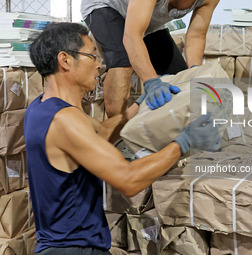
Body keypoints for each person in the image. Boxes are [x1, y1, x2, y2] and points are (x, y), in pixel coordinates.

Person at [24, 22, 221, 254]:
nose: (99, 65)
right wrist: (184, 142)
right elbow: (129, 180)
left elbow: (101, 133)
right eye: (92, 55)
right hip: (75, 248)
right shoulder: (65, 120)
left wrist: (140, 103)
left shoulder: (41, 108)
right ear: (65, 60)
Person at [81, 0, 220, 115]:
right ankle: (115, 136)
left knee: (180, 76)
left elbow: (196, 35)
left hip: (144, 18)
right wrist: (152, 81)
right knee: (123, 61)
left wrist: (195, 72)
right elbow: (132, 37)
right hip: (106, 6)